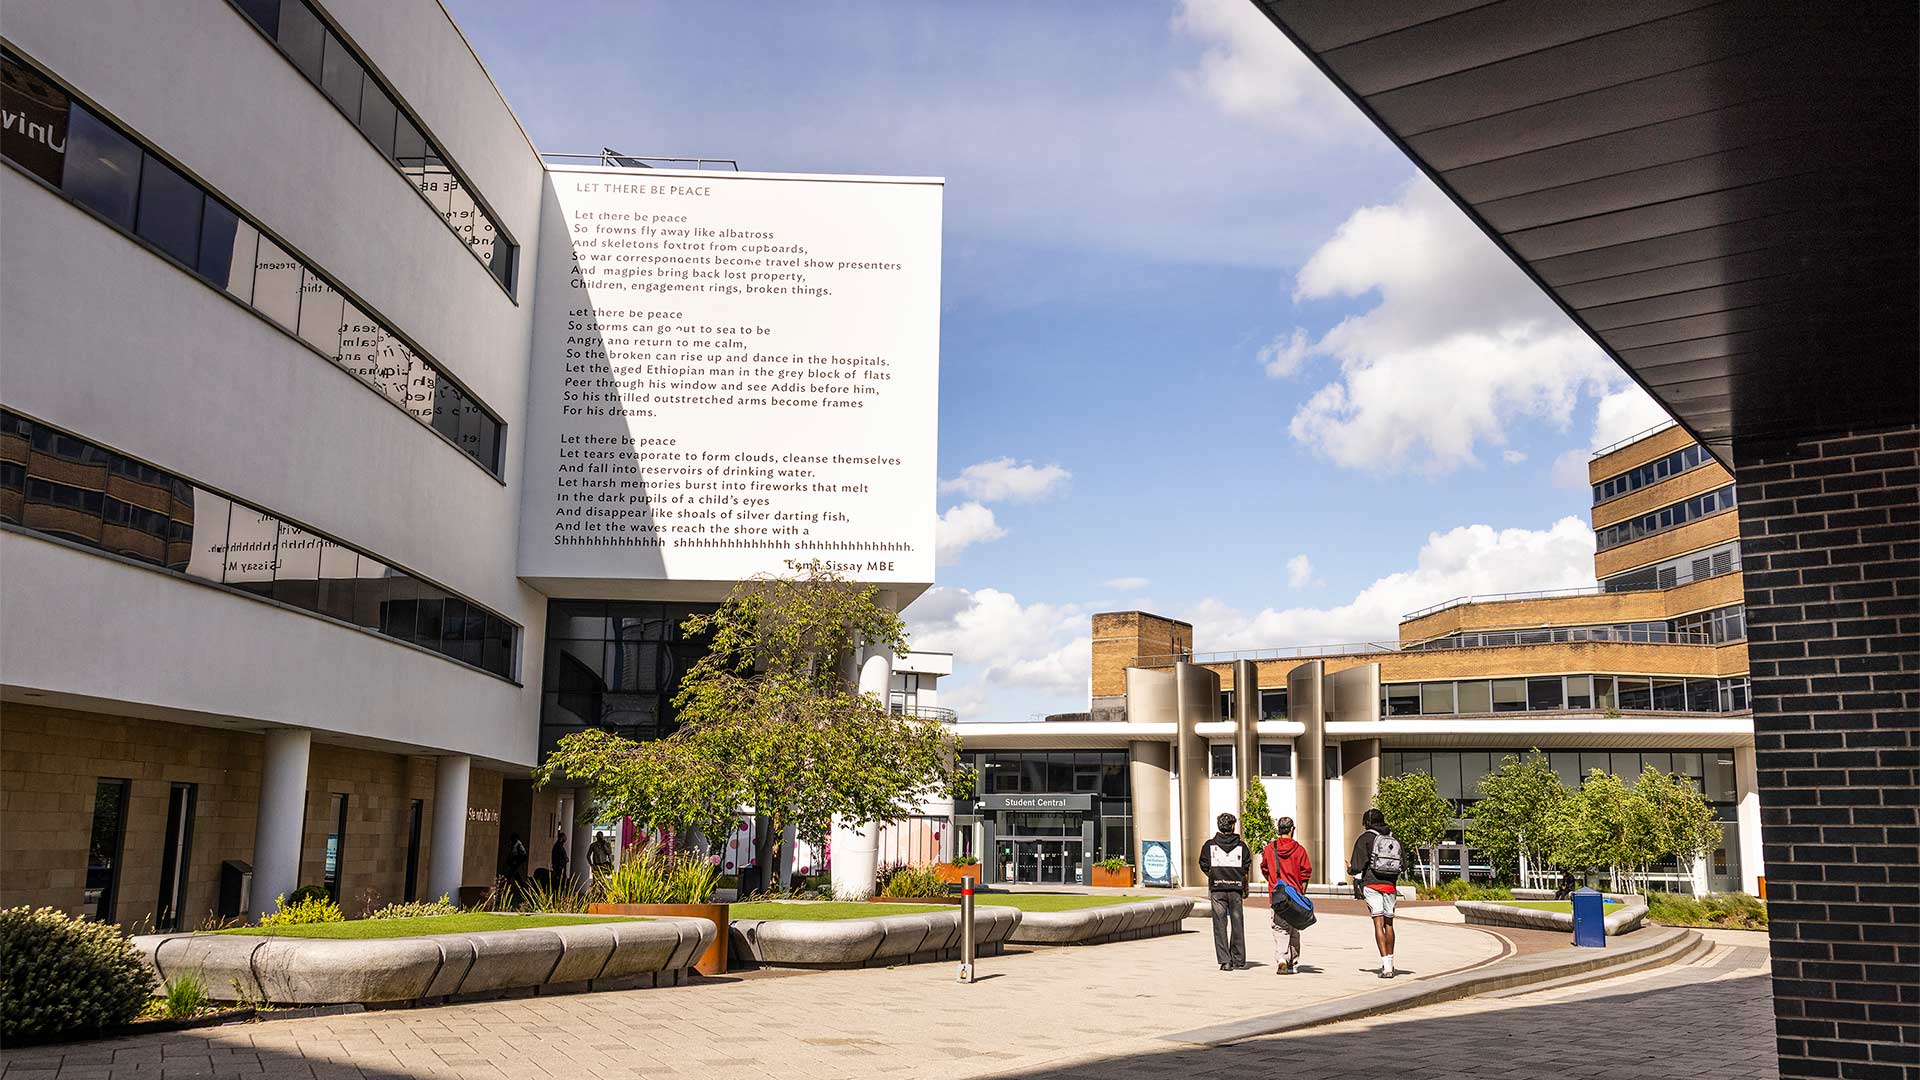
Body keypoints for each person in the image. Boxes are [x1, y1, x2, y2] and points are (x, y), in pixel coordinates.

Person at [1349, 807, 1406, 978]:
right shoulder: (1392, 838)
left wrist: (1350, 869)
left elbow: (1357, 867)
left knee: (1377, 923)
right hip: (1390, 886)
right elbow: (1403, 864)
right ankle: (1391, 962)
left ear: (1367, 823)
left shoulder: (1365, 839)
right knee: (1389, 924)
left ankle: (1386, 965)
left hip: (1372, 885)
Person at [1198, 811, 1252, 971]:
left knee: (1219, 924)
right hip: (1235, 888)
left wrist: (1213, 875)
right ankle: (1238, 959)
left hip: (1217, 888)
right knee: (1237, 923)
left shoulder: (1209, 845)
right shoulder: (1241, 846)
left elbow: (1203, 864)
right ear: (1233, 826)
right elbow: (1246, 867)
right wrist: (1245, 886)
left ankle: (1225, 961)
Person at [1260, 816, 1313, 975]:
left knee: (1279, 928)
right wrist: (1301, 892)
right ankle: (1292, 963)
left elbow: (1264, 869)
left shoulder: (1270, 849)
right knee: (1294, 929)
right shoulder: (1299, 849)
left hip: (1277, 897)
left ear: (1278, 829)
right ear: (1292, 829)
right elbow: (1306, 873)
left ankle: (1282, 958)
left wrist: (1273, 883)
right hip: (1295, 895)